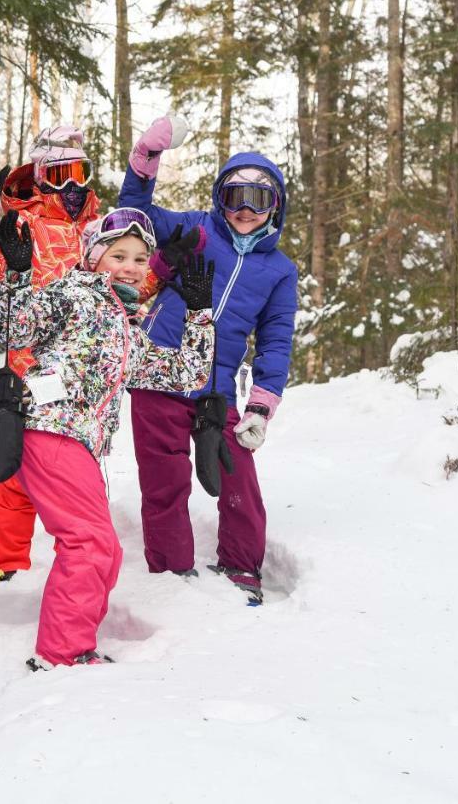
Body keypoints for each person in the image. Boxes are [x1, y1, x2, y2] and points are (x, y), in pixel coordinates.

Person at [0, 207, 215, 667]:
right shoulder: (75, 293)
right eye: (119, 255)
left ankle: (75, 643)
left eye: (139, 258)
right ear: (94, 258)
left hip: (82, 445)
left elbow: (186, 373)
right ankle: (62, 654)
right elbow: (13, 329)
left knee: (106, 551)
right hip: (50, 429)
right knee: (89, 543)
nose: (130, 266)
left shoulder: (129, 327)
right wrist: (16, 272)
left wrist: (199, 314)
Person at [0, 127, 165, 582]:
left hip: (88, 369)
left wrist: (163, 273)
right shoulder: (29, 223)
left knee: (75, 470)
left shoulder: (101, 228)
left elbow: (131, 286)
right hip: (34, 360)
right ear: (39, 177)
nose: (70, 187)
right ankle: (3, 566)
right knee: (20, 471)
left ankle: (77, 558)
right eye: (57, 175)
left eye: (79, 173)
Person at [118, 114, 299, 606]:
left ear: (275, 207)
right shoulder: (195, 229)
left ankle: (242, 567)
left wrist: (260, 407)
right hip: (158, 376)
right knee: (166, 482)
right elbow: (131, 217)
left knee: (237, 473)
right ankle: (172, 573)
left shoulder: (280, 271)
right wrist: (145, 162)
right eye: (234, 196)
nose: (244, 209)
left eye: (258, 200)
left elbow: (277, 341)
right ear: (220, 198)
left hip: (215, 391)